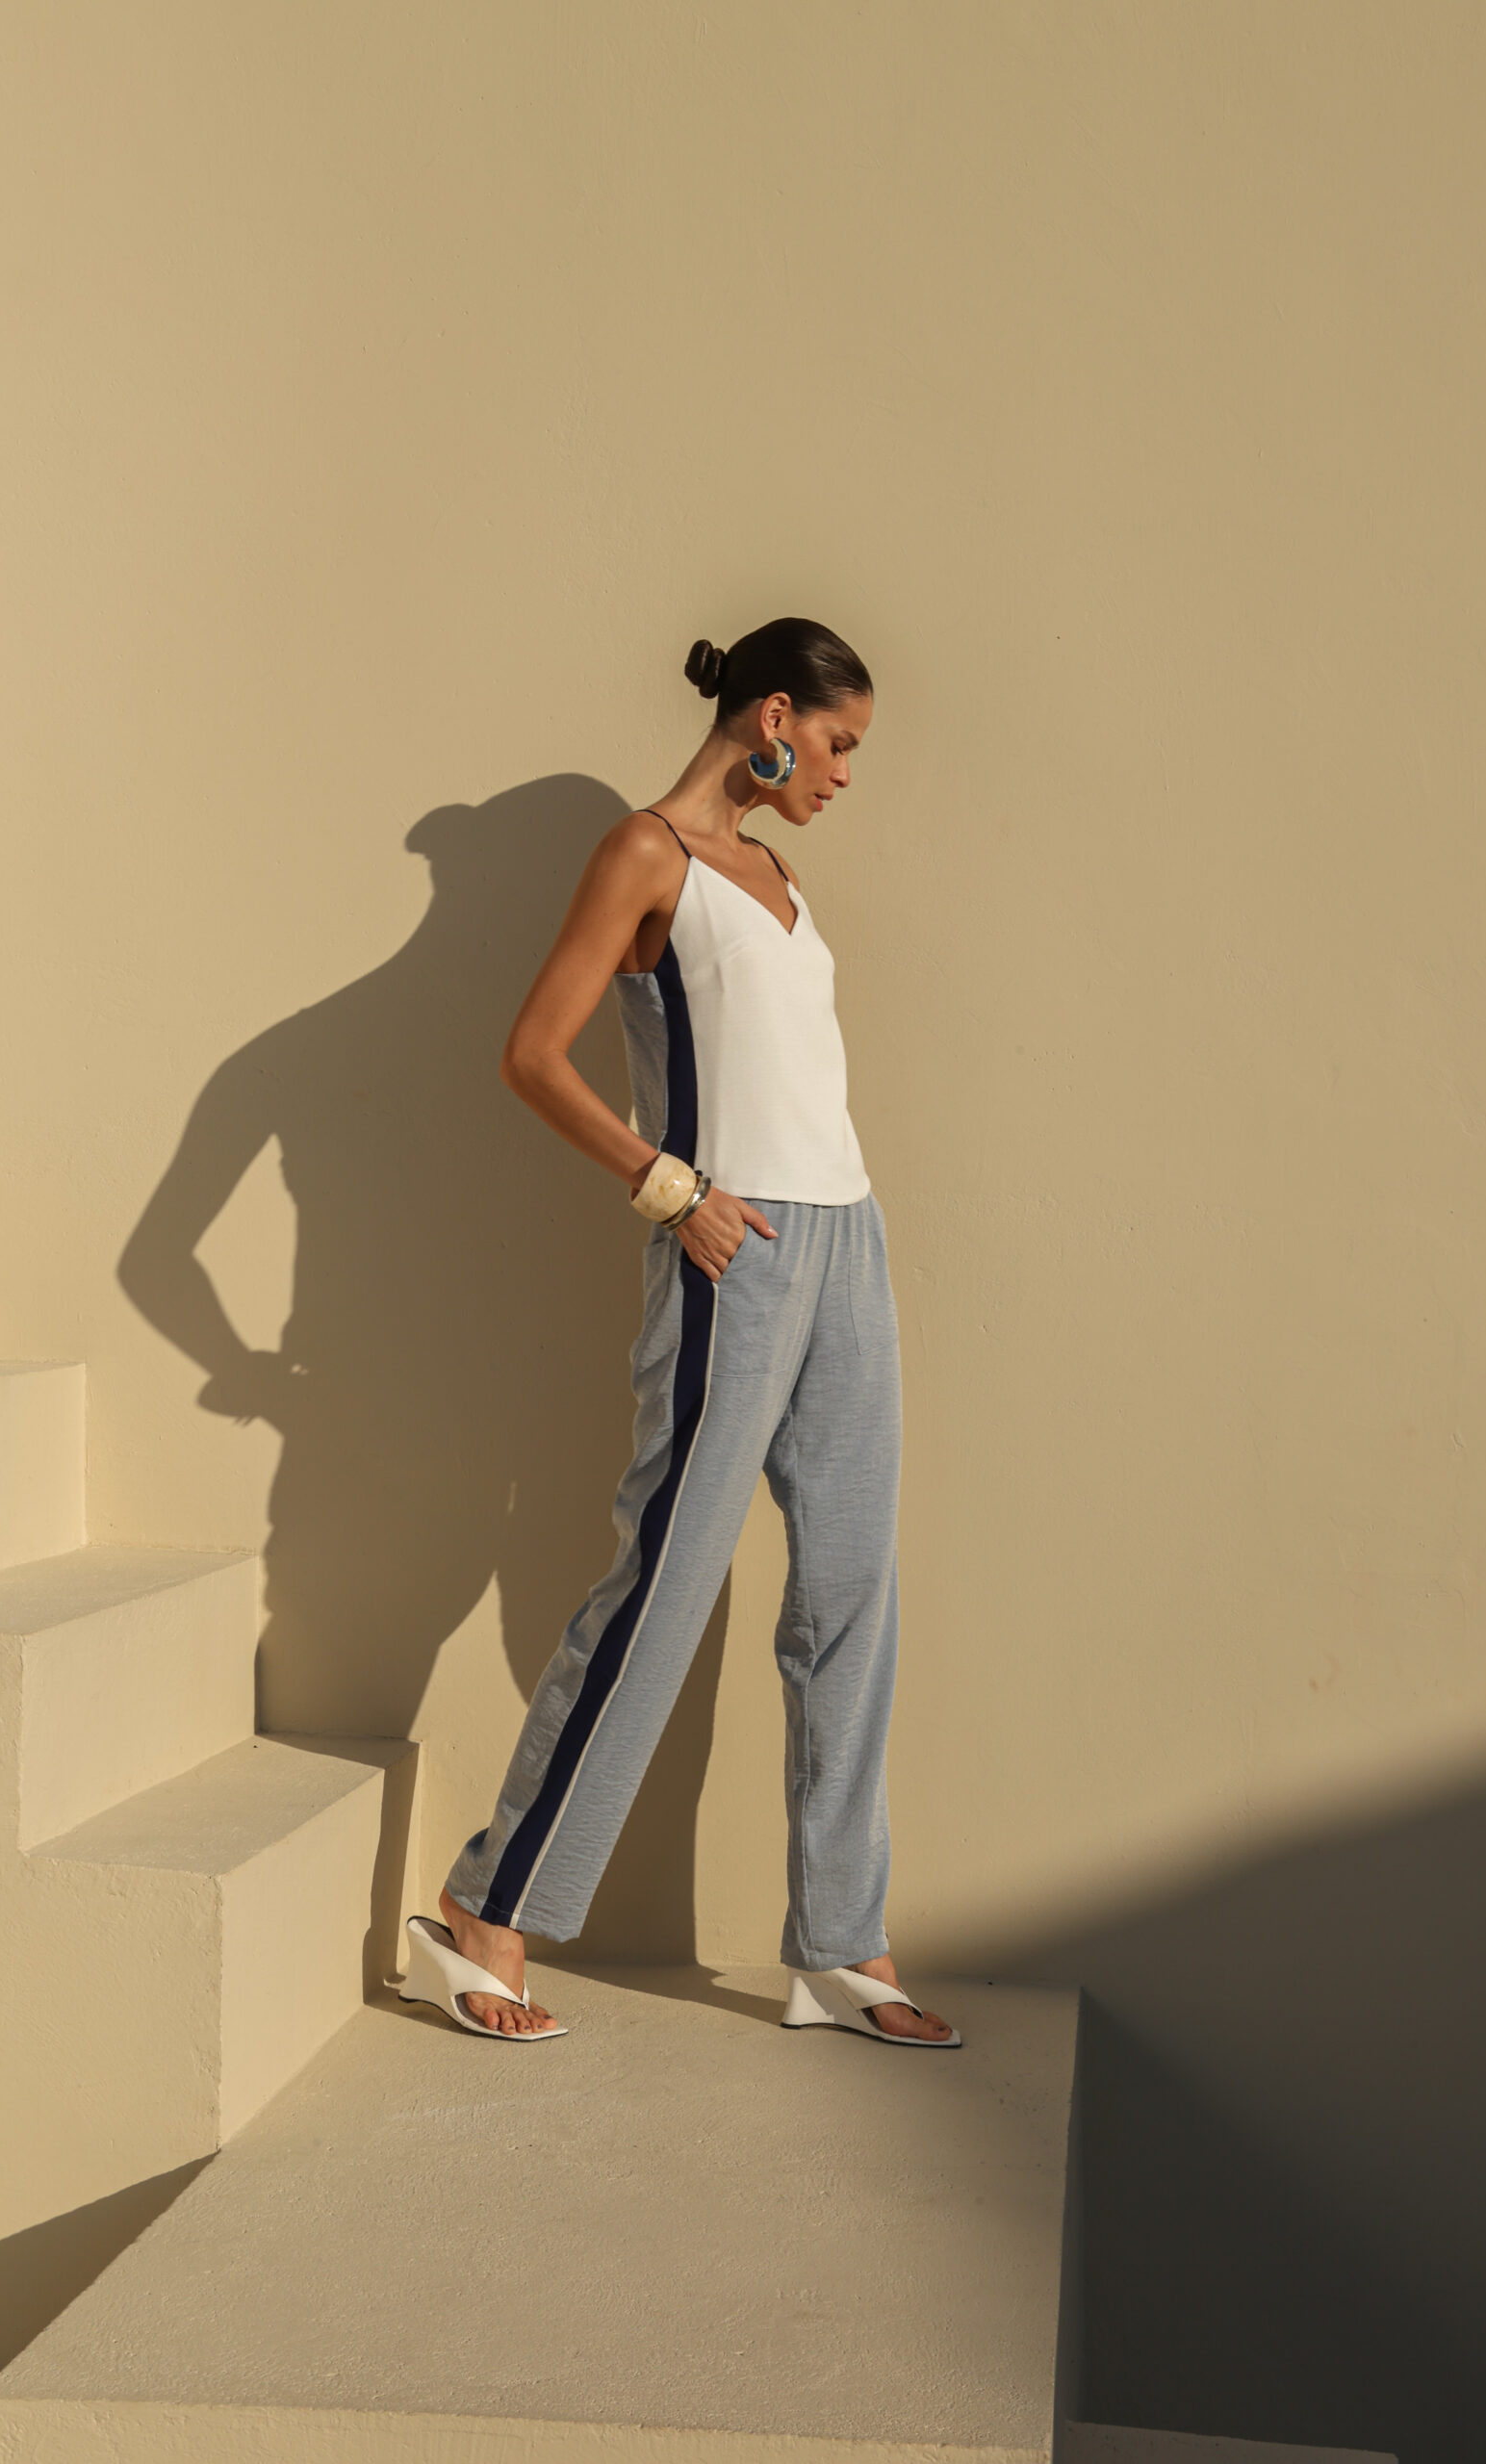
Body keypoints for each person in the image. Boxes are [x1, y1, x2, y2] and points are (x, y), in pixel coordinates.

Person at [397, 617, 959, 2049]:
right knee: (665, 1583)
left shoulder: (780, 876)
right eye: (836, 742)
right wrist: (672, 1190)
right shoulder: (648, 855)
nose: (844, 774)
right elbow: (534, 1053)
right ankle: (484, 1913)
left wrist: (839, 1233)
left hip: (848, 1241)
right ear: (772, 716)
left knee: (853, 1593)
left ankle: (840, 1944)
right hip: (735, 1244)